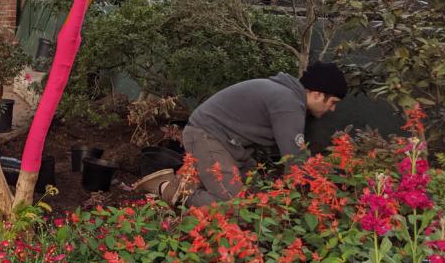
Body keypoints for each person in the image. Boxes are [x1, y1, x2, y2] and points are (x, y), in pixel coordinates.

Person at [135, 61, 347, 206]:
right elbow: (296, 162)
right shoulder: (288, 103)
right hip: (208, 136)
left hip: (229, 144)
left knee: (257, 194)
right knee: (234, 205)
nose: (333, 109)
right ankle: (168, 190)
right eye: (333, 103)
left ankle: (179, 184)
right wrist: (323, 193)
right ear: (318, 94)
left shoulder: (287, 97)